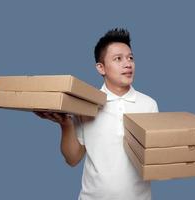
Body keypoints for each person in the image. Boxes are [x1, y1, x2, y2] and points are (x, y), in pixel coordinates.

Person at [35, 28, 159, 200]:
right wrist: (65, 124)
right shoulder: (86, 104)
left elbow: (155, 160)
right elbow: (72, 159)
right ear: (101, 68)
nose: (128, 64)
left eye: (131, 58)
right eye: (118, 59)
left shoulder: (149, 105)